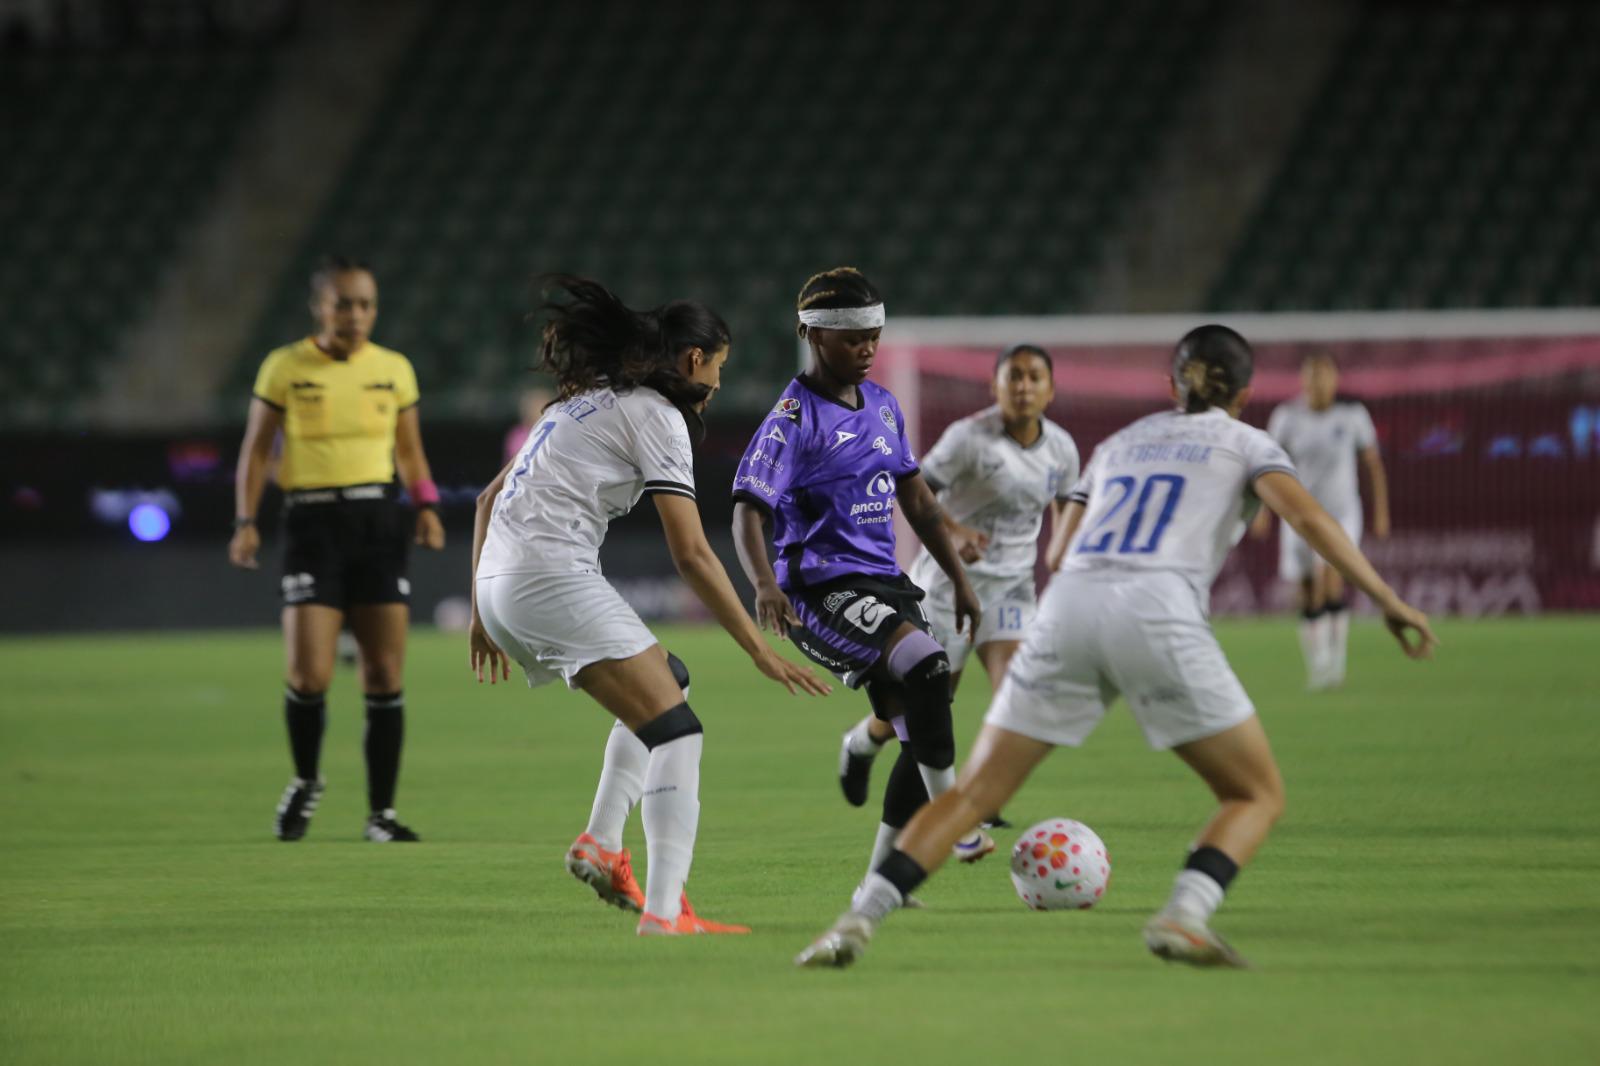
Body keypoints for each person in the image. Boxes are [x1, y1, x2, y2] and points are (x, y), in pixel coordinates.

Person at [797, 324, 1436, 970]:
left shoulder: (1119, 444)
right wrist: (1388, 600)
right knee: (1255, 794)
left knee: (971, 797)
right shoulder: (1248, 443)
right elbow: (1308, 518)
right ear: (1245, 394)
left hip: (1069, 606)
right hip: (1156, 609)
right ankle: (1184, 913)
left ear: (1171, 386)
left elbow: (1059, 551)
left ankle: (857, 920)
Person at [468, 276, 828, 937]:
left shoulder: (576, 402)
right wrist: (759, 650)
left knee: (671, 679)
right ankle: (664, 912)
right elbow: (691, 554)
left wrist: (478, 614)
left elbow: (487, 500)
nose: (717, 383)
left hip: (497, 582)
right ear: (694, 359)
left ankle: (603, 843)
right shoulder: (659, 417)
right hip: (549, 575)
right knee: (678, 732)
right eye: (719, 367)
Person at [731, 266, 997, 900]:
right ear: (812, 335)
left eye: (874, 337)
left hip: (887, 583)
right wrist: (765, 585)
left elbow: (920, 503)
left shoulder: (883, 405)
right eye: (853, 339)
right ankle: (955, 817)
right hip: (819, 593)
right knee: (929, 668)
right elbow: (747, 510)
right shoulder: (792, 420)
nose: (868, 349)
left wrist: (960, 581)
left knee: (920, 725)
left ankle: (879, 886)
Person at [230, 256, 445, 843]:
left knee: (384, 672)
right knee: (309, 675)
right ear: (319, 307)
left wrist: (426, 506)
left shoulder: (394, 369)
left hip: (378, 521)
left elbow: (409, 450)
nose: (355, 315)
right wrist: (246, 520)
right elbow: (256, 449)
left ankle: (381, 815)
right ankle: (306, 778)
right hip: (312, 523)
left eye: (366, 304)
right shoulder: (284, 367)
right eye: (343, 303)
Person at [837, 344, 1080, 830]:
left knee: (1015, 694)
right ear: (995, 386)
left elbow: (1065, 504)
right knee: (928, 705)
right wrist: (956, 532)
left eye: (1034, 377)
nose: (1024, 387)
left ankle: (981, 800)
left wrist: (1064, 560)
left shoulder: (1062, 449)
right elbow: (916, 489)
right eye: (1014, 377)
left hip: (1012, 588)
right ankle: (862, 742)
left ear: (1051, 390)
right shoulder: (969, 438)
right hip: (949, 586)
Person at [1252, 352, 1390, 689]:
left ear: (1334, 380)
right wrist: (1262, 511)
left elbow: (1372, 464)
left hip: (1341, 513)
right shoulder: (1287, 417)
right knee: (1307, 590)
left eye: (1324, 376)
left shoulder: (1352, 415)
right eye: (1312, 376)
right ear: (1303, 381)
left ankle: (1335, 665)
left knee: (1330, 579)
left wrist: (1381, 511)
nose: (1318, 383)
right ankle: (1317, 665)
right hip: (1299, 513)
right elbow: (1267, 467)